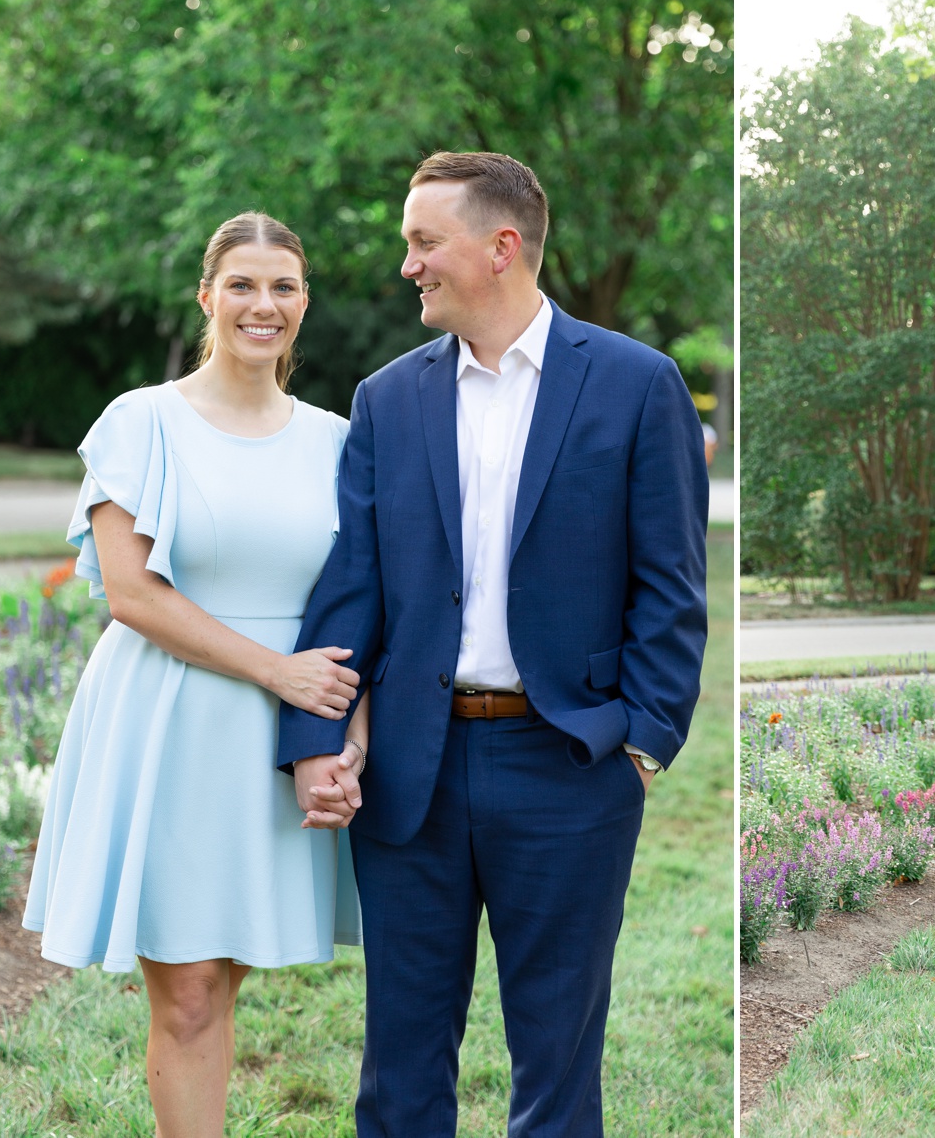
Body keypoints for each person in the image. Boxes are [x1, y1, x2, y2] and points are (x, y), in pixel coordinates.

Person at [277, 151, 709, 1137]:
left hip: (567, 765)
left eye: (424, 242)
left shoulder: (638, 386)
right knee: (399, 1065)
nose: (408, 266)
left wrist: (639, 742)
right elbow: (355, 586)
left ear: (500, 247)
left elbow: (672, 589)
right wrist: (315, 739)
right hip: (412, 770)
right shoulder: (388, 398)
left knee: (557, 1063)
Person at [24, 212, 364, 1138]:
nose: (264, 304)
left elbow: (362, 600)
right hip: (169, 717)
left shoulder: (337, 439)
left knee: (226, 976)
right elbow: (131, 593)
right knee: (183, 991)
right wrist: (277, 672)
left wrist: (342, 735)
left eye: (284, 286)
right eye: (244, 284)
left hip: (279, 739)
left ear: (304, 301)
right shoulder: (144, 421)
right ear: (208, 296)